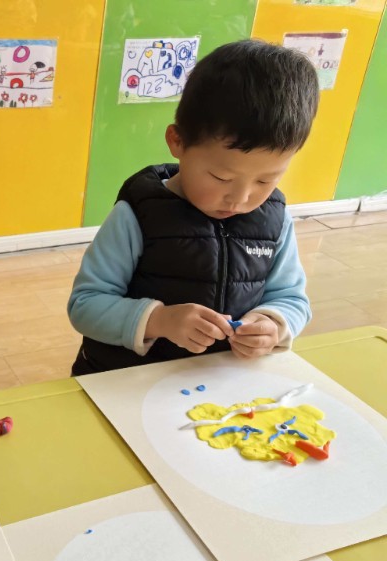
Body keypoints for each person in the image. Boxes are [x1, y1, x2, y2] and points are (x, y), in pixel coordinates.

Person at [69, 40, 319, 375]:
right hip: (127, 380)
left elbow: (292, 298)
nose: (240, 198)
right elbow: (85, 305)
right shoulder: (139, 214)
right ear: (178, 141)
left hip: (218, 387)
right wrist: (159, 320)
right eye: (221, 177)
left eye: (266, 180)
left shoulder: (275, 220)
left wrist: (273, 323)